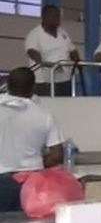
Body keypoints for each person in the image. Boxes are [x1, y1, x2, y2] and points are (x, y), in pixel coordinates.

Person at [0, 67, 65, 212]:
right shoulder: (44, 115)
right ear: (33, 88)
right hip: (32, 183)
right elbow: (57, 155)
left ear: (7, 85)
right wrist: (39, 162)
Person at [25, 5, 80, 97]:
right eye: (54, 16)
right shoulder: (35, 34)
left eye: (58, 16)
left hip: (65, 79)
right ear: (44, 17)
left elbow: (72, 49)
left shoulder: (62, 32)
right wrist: (46, 64)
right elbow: (32, 52)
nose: (58, 19)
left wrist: (78, 62)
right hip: (45, 81)